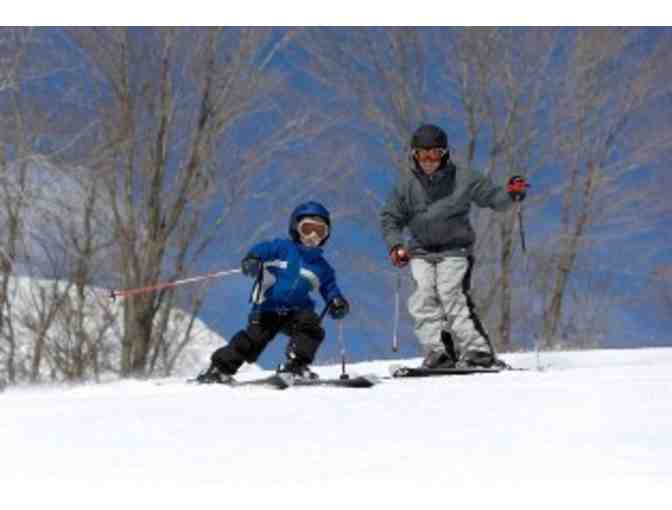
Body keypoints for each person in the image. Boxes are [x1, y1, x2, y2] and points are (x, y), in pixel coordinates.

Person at [380, 124, 529, 369]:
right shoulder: (405, 187)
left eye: (434, 154)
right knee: (423, 298)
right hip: (421, 251)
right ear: (414, 156)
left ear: (444, 154)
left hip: (454, 250)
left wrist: (511, 194)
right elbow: (390, 218)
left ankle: (477, 350)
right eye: (422, 155)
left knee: (450, 294)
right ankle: (438, 352)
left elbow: (492, 197)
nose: (429, 161)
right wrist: (395, 245)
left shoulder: (463, 178)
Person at [197, 201, 350, 383]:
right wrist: (253, 258)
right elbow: (263, 249)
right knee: (253, 340)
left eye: (319, 231)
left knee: (311, 326)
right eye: (307, 229)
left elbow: (330, 287)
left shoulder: (321, 267)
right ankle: (219, 369)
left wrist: (336, 301)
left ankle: (296, 365)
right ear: (296, 228)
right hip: (268, 308)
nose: (312, 236)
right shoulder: (283, 248)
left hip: (297, 312)